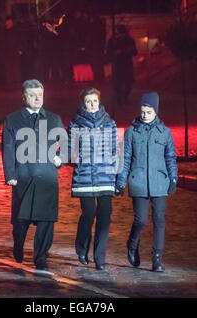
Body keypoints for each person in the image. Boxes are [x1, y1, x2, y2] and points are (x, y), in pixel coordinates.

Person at [2, 79, 65, 271]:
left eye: (40, 95)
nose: (37, 98)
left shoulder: (53, 119)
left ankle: (40, 257)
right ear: (24, 97)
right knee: (22, 219)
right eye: (32, 95)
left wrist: (60, 157)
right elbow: (8, 148)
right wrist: (10, 174)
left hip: (47, 177)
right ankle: (18, 243)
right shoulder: (13, 120)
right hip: (24, 176)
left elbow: (66, 141)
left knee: (47, 219)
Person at [116, 92, 177, 272]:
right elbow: (125, 158)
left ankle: (157, 258)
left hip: (160, 181)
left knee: (159, 220)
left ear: (155, 111)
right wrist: (121, 181)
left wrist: (173, 177)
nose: (144, 115)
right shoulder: (132, 132)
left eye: (148, 112)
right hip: (139, 181)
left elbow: (170, 157)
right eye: (143, 111)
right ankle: (132, 245)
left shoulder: (165, 132)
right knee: (141, 220)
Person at [68, 87, 118, 270]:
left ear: (99, 101)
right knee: (88, 214)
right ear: (83, 103)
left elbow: (115, 152)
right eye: (88, 101)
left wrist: (118, 176)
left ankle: (100, 257)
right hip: (84, 178)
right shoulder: (75, 124)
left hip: (106, 177)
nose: (92, 105)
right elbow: (70, 151)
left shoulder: (109, 124)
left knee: (104, 217)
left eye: (94, 101)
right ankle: (82, 248)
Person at [106, 25, 138, 109]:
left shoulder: (129, 40)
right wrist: (115, 53)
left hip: (127, 63)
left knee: (128, 81)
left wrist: (128, 51)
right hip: (117, 64)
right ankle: (119, 99)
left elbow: (135, 52)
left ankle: (125, 97)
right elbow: (108, 52)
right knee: (118, 82)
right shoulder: (113, 41)